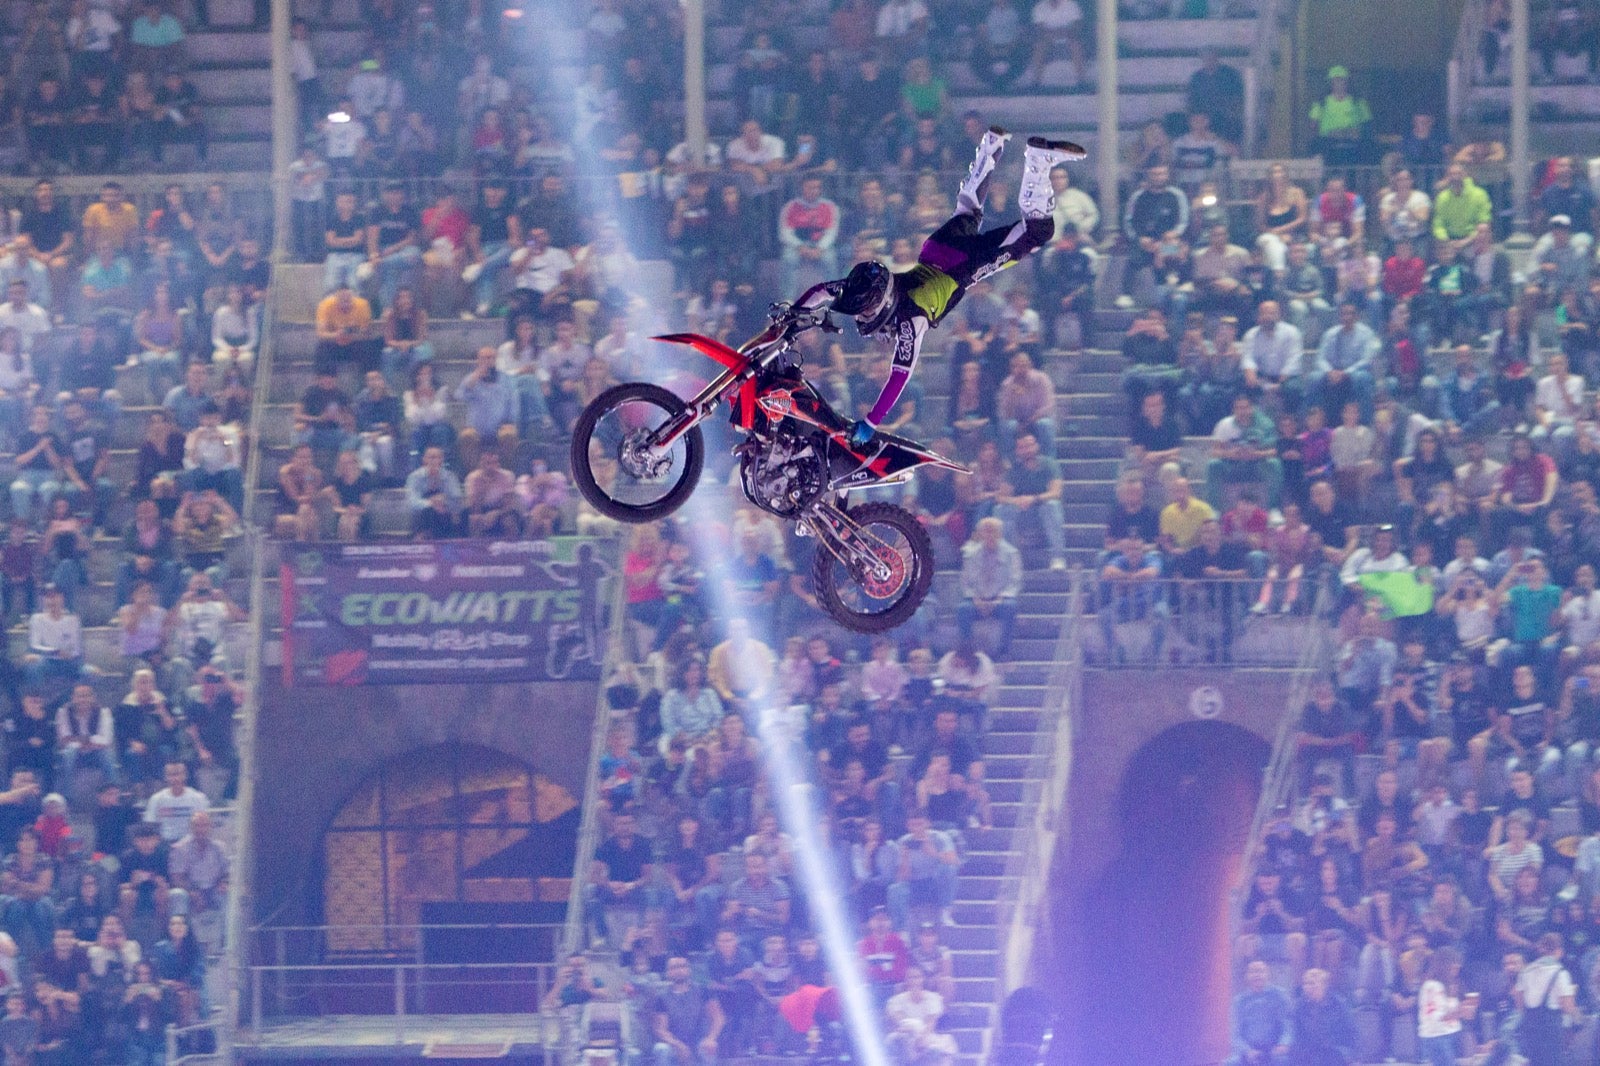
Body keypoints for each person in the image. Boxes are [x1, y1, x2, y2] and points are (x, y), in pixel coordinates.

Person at [795, 129, 1083, 448]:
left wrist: (871, 421)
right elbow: (822, 290)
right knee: (968, 209)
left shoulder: (910, 321)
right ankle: (991, 146)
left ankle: (1038, 163)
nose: (860, 318)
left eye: (864, 311)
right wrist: (796, 314)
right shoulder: (862, 285)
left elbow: (899, 376)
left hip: (964, 265)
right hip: (933, 250)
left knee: (1037, 233)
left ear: (880, 302)